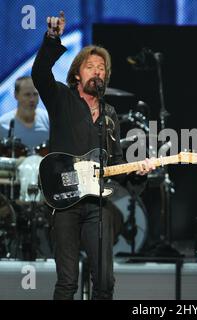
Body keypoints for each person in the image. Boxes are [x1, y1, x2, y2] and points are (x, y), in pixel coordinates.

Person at [31, 11, 154, 300]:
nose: (97, 71)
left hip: (98, 205)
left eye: (102, 68)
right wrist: (52, 38)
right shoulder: (61, 98)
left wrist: (137, 170)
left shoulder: (110, 115)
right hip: (64, 203)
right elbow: (39, 75)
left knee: (105, 282)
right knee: (67, 283)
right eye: (91, 66)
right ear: (77, 74)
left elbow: (116, 162)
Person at [0, 76, 49, 152]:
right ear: (16, 95)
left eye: (35, 94)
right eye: (27, 95)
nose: (32, 99)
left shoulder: (49, 120)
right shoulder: (3, 124)